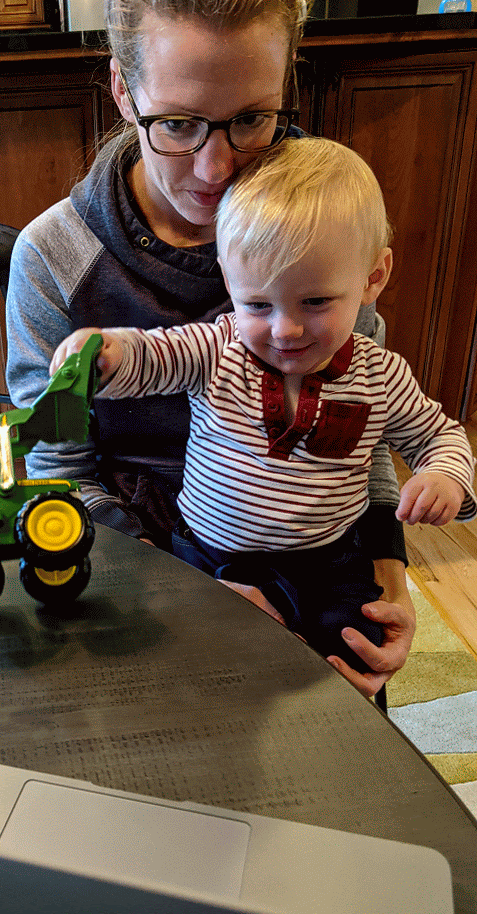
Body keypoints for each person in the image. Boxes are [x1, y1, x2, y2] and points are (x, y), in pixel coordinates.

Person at [5, 0, 417, 695]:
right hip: (133, 578)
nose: (216, 166)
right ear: (122, 94)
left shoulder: (327, 229)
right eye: (176, 124)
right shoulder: (55, 258)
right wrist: (175, 591)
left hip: (316, 565)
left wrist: (388, 577)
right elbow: (53, 476)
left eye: (252, 119)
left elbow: (358, 421)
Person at [49, 137, 477, 670]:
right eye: (258, 304)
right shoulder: (217, 346)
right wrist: (106, 353)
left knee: (357, 663)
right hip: (210, 558)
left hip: (329, 565)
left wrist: (445, 478)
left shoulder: (381, 374)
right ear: (230, 281)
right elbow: (152, 355)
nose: (286, 329)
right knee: (205, 672)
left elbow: (440, 434)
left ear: (372, 278)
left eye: (316, 301)